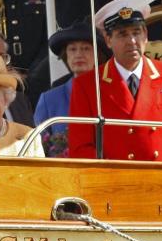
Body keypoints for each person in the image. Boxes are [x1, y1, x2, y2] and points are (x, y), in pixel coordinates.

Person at [68, 0, 162, 162]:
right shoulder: (88, 85)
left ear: (145, 36)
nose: (132, 41)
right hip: (114, 184)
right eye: (122, 34)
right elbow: (81, 147)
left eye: (136, 32)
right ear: (108, 40)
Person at [34, 19, 109, 157]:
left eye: (86, 48)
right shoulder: (49, 99)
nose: (78, 54)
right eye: (72, 49)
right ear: (66, 55)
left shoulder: (112, 93)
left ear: (98, 55)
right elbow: (37, 150)